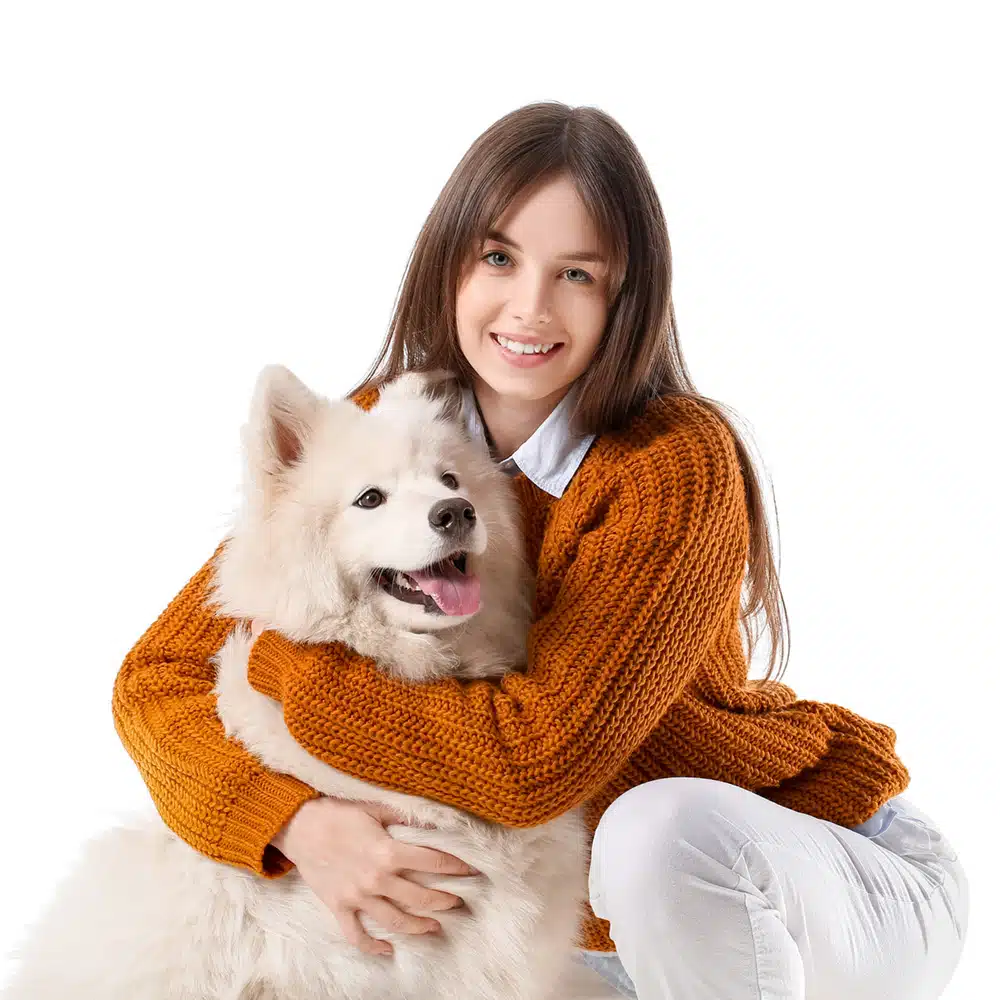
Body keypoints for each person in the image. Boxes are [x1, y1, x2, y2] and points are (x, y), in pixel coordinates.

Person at [112, 102, 969, 1000]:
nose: (530, 307)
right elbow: (155, 680)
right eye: (499, 258)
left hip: (818, 882)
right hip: (591, 948)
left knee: (652, 829)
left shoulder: (671, 463)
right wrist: (294, 824)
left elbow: (535, 763)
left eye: (577, 274)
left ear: (624, 298)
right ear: (449, 263)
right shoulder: (384, 435)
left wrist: (284, 665)